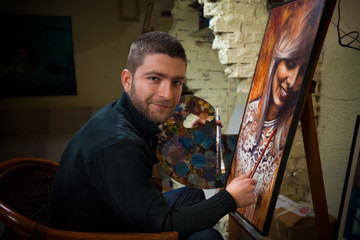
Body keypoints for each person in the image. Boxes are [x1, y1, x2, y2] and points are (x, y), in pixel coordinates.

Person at [50, 31, 256, 240]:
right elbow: (160, 224)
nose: (167, 94)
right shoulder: (119, 143)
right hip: (98, 234)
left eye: (176, 82)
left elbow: (152, 151)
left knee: (191, 196)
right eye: (154, 78)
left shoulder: (123, 115)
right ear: (127, 80)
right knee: (208, 237)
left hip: (114, 214)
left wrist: (192, 139)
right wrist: (230, 199)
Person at [233, 0, 323, 227]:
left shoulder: (283, 133)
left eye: (302, 71)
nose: (293, 81)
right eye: (290, 63)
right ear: (275, 61)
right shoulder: (249, 115)